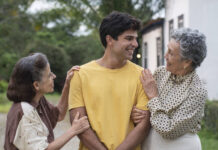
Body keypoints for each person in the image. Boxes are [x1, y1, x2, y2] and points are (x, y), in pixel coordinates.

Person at [68, 11, 150, 150]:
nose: (135, 44)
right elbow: (78, 123)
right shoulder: (81, 74)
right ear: (110, 40)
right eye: (129, 38)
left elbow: (143, 126)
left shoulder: (143, 76)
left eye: (136, 38)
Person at [131, 28, 207, 150]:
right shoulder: (161, 73)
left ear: (187, 62)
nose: (165, 55)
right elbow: (147, 109)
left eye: (171, 53)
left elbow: (168, 130)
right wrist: (138, 114)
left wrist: (153, 97)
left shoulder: (197, 91)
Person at [4, 53, 90, 150]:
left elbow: (59, 115)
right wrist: (74, 130)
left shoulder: (38, 100)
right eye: (49, 75)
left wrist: (67, 84)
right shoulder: (25, 111)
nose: (54, 76)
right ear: (36, 85)